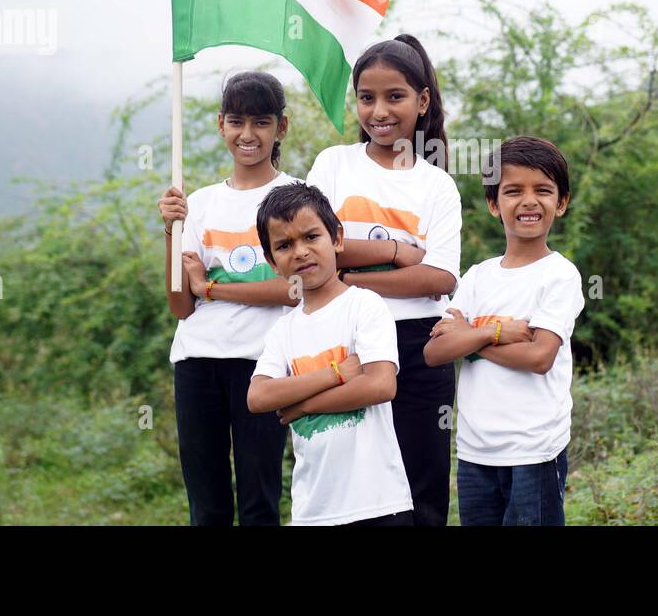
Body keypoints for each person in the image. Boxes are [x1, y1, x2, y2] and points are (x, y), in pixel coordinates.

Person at [304, 34, 462, 526]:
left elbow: (439, 277)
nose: (379, 110)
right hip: (343, 340)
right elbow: (312, 241)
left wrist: (349, 275)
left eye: (395, 96)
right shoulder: (334, 164)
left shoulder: (436, 184)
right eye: (367, 97)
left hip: (418, 346)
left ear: (422, 101)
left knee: (423, 486)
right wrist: (398, 252)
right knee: (349, 477)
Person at [157, 71, 299, 526]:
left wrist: (211, 287)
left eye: (261, 122)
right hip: (197, 363)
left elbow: (293, 290)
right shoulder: (198, 203)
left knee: (259, 502)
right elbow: (181, 307)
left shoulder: (294, 200)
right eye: (237, 121)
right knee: (207, 505)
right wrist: (170, 234)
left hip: (263, 366)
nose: (248, 134)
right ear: (221, 124)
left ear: (281, 127)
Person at [423, 136, 585, 526]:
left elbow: (539, 357)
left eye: (543, 190)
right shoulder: (478, 276)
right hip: (475, 452)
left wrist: (469, 334)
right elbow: (434, 352)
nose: (529, 201)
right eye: (513, 191)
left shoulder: (559, 275)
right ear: (495, 204)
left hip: (535, 450)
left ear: (560, 203)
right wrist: (494, 333)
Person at [247, 182, 413, 526]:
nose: (300, 252)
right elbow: (259, 396)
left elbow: (380, 386)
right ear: (271, 261)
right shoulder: (283, 330)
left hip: (379, 505)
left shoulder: (364, 305)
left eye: (311, 237)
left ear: (336, 238)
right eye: (284, 245)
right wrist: (336, 373)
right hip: (313, 512)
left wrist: (303, 404)